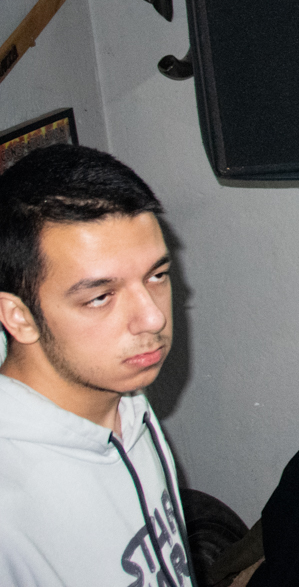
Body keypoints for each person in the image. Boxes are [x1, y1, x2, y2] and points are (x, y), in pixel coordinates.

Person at [0, 144, 195, 587]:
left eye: (156, 276)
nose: (153, 318)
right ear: (18, 317)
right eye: (101, 297)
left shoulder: (124, 396)